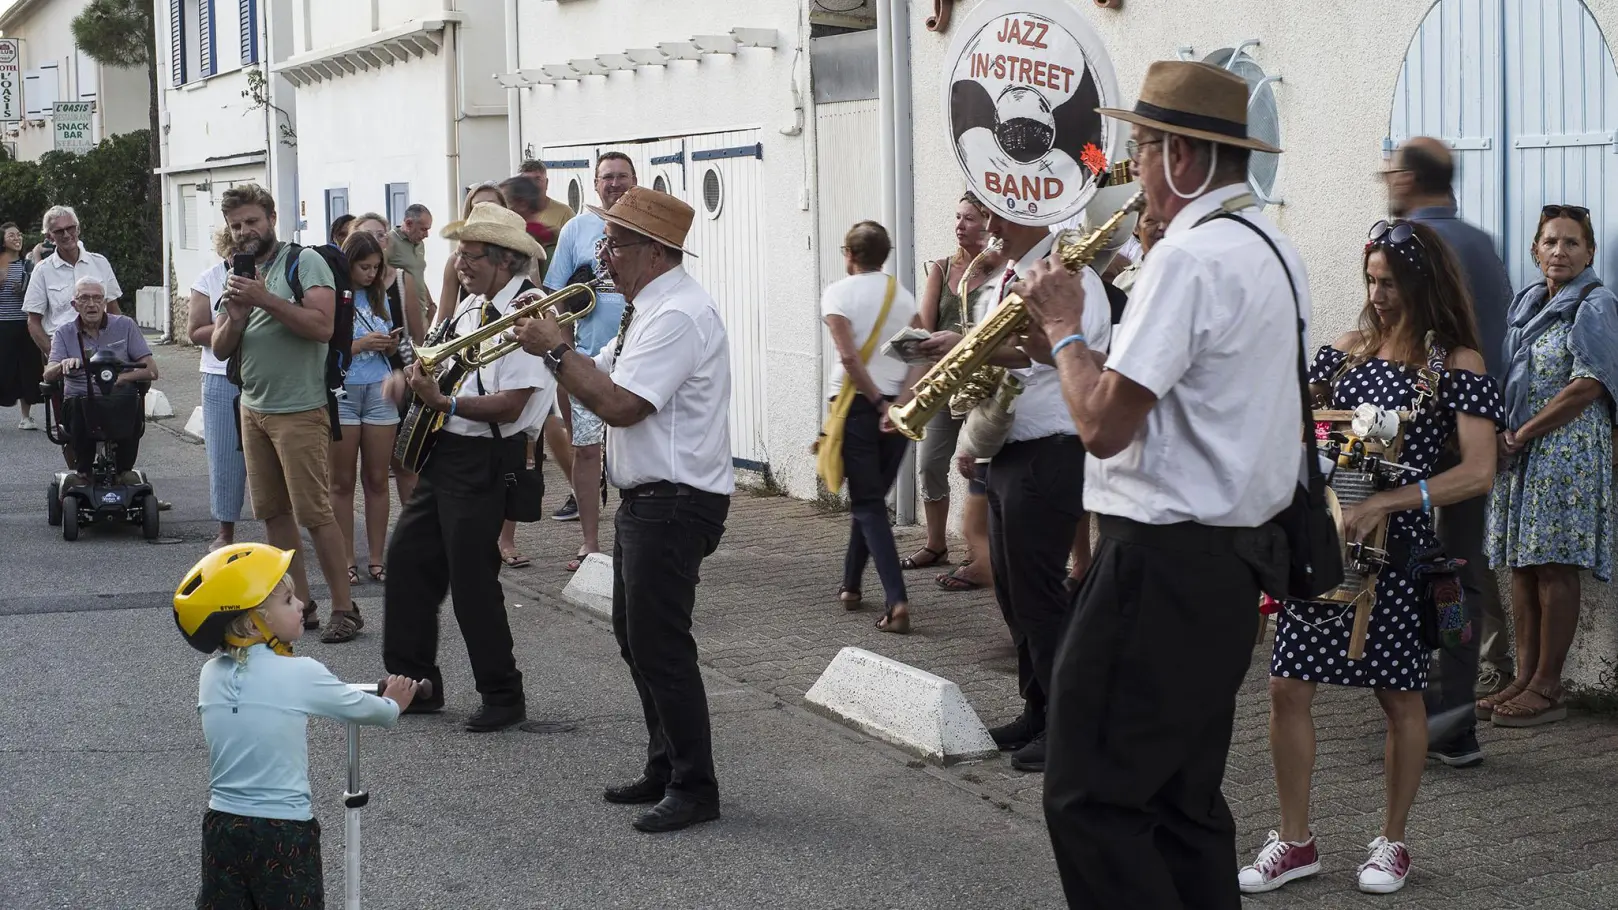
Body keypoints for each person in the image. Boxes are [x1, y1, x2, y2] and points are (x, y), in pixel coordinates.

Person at [1019, 61, 1296, 908]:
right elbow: (1165, 396)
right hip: (1226, 567)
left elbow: (1102, 427)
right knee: (1184, 803)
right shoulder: (1271, 247)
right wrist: (1067, 350)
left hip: (1156, 564)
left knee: (1090, 798)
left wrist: (1065, 326)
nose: (1130, 169)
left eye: (1140, 150)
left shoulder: (1190, 260)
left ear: (1182, 157)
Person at [1239, 220, 1501, 895]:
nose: (1378, 293)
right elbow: (1300, 431)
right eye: (1373, 279)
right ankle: (1295, 842)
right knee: (1286, 686)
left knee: (1398, 695)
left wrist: (1391, 500)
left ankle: (1393, 843)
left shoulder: (1456, 365)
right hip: (1327, 545)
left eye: (1391, 281)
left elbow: (1478, 471)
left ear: (1424, 281)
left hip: (1402, 552)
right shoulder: (1345, 351)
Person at [514, 187, 732, 834]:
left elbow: (621, 405)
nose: (603, 254)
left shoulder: (676, 315)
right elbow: (595, 374)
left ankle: (697, 785)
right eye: (606, 241)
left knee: (662, 646)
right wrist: (554, 346)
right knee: (635, 638)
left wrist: (555, 349)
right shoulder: (646, 308)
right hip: (650, 498)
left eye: (615, 243)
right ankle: (665, 765)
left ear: (654, 252)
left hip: (676, 500)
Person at [913, 203, 1112, 773]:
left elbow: (1078, 354)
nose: (986, 223)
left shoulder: (1073, 278)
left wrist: (979, 343)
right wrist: (964, 348)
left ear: (1028, 213)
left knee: (1040, 593)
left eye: (996, 211)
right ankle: (1038, 709)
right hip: (1009, 446)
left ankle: (1069, 727)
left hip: (1052, 446)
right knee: (1012, 592)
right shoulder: (1005, 276)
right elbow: (1011, 360)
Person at [381, 202, 553, 733]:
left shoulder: (528, 312)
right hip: (447, 451)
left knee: (473, 581)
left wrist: (445, 405)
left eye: (471, 255)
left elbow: (515, 403)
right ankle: (415, 683)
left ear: (503, 259)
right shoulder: (469, 306)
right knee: (408, 560)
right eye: (459, 253)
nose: (460, 263)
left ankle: (502, 695)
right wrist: (413, 380)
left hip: (486, 456)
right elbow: (441, 364)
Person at [173, 543, 418, 910]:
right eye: (287, 601)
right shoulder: (301, 672)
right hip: (282, 832)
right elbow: (364, 709)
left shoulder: (210, 674)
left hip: (222, 828)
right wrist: (393, 702)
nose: (302, 603)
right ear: (255, 620)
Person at [1385, 138, 1520, 756]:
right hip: (1478, 431)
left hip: (1413, 431)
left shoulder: (1407, 242)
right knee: (1457, 578)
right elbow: (1503, 339)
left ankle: (1412, 710)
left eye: (1391, 172)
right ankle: (1452, 721)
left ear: (1410, 179)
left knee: (1397, 569)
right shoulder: (1484, 245)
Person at [1482, 204, 1618, 728]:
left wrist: (1521, 432)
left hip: (1566, 451)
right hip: (1522, 450)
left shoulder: (1597, 304)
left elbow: (1589, 384)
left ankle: (1548, 686)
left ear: (1589, 252)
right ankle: (1523, 675)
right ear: (1535, 249)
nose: (1559, 251)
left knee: (1555, 564)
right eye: (1550, 242)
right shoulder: (1530, 301)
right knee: (1522, 562)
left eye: (1571, 243)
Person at [209, 184, 360, 644]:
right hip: (253, 407)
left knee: (315, 513)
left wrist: (264, 300)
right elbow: (218, 346)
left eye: (252, 221)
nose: (243, 231)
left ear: (272, 218)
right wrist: (235, 316)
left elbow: (322, 326)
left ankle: (345, 608)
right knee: (274, 513)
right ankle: (302, 604)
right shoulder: (240, 273)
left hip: (300, 409)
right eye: (236, 225)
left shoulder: (304, 261)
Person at [823, 221, 925, 631]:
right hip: (898, 412)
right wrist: (898, 404)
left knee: (867, 504)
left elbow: (849, 359)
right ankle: (850, 586)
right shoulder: (903, 297)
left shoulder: (837, 294)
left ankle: (897, 601)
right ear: (885, 254)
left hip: (857, 407)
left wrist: (878, 402)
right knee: (871, 502)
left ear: (848, 253)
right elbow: (920, 356)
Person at [541, 152, 634, 563]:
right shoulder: (576, 229)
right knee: (585, 449)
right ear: (595, 183)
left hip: (639, 354)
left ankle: (634, 539)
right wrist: (566, 355)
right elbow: (555, 298)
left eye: (622, 176)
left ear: (635, 180)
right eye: (607, 177)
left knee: (636, 449)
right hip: (588, 359)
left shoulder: (647, 227)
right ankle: (591, 543)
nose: (614, 183)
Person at [912, 193, 1003, 591]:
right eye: (956, 218)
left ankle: (977, 553)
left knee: (977, 471)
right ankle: (935, 544)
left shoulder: (1002, 270)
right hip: (946, 383)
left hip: (984, 387)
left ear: (987, 223)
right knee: (931, 462)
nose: (959, 226)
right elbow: (925, 324)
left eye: (968, 218)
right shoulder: (942, 268)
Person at [329, 231, 402, 589]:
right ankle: (345, 559)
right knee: (341, 482)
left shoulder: (379, 296)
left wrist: (390, 346)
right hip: (342, 389)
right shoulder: (332, 295)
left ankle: (376, 558)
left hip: (378, 388)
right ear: (348, 263)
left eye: (376, 267)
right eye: (364, 267)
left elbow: (389, 349)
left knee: (376, 479)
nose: (371, 274)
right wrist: (359, 345)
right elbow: (326, 346)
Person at [42, 276, 158, 480]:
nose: (91, 304)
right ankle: (83, 471)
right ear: (74, 304)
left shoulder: (125, 325)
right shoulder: (64, 332)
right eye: (84, 298)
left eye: (97, 298)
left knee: (131, 401)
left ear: (105, 303)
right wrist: (62, 365)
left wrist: (123, 378)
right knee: (79, 405)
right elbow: (48, 374)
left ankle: (124, 471)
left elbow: (151, 370)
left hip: (118, 399)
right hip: (80, 401)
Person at [188, 226, 249, 550]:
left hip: (265, 372)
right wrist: (232, 322)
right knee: (225, 457)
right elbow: (195, 330)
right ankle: (225, 533)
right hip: (219, 373)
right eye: (233, 250)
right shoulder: (209, 279)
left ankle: (284, 530)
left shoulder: (268, 277)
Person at [24, 206, 123, 371]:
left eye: (70, 228)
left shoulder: (100, 263)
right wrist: (55, 356)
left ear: (78, 229)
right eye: (59, 231)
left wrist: (120, 347)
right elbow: (33, 322)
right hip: (64, 349)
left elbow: (113, 309)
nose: (66, 234)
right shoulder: (42, 271)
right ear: (49, 236)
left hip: (103, 347)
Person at [0, 221, 43, 430]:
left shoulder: (28, 265)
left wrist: (24, 290)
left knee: (28, 369)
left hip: (26, 324)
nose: (17, 238)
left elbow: (38, 291)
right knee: (3, 370)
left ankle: (26, 417)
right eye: (11, 235)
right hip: (2, 325)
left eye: (18, 234)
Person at [516, 159, 576, 262]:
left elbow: (576, 250)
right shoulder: (511, 213)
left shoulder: (565, 213)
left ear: (547, 183)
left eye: (537, 179)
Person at [386, 203, 434, 329]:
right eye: (423, 229)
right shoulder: (389, 241)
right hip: (403, 316)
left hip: (422, 313)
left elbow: (417, 274)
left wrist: (431, 304)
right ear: (408, 223)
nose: (427, 235)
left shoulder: (420, 244)